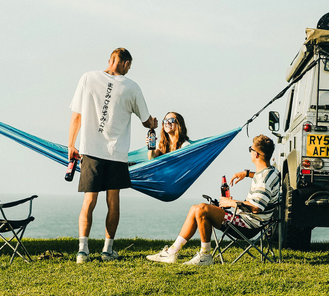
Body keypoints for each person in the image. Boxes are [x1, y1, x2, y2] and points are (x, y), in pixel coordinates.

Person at [69, 48, 157, 263]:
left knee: (89, 201)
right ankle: (107, 251)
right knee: (113, 200)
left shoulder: (88, 78)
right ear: (126, 63)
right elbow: (146, 120)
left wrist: (71, 144)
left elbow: (77, 115)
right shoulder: (132, 87)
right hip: (116, 153)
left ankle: (83, 251)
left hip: (90, 149)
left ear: (110, 60)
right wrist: (153, 124)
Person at [145, 135, 280, 266]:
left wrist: (231, 203)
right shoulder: (271, 171)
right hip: (248, 219)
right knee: (194, 208)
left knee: (202, 209)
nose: (250, 152)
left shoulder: (264, 180)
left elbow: (256, 207)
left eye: (250, 149)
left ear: (256, 154)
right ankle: (171, 252)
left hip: (249, 225)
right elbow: (261, 181)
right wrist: (246, 174)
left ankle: (205, 256)